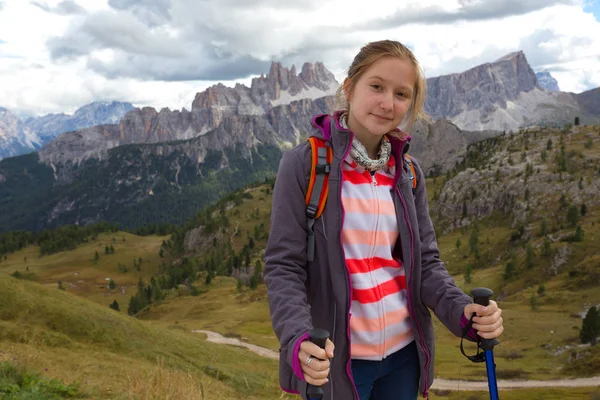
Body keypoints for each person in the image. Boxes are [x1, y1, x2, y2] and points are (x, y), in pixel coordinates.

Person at [263, 40, 504, 400]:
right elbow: (283, 266)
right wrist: (297, 337)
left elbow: (426, 262)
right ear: (349, 87)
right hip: (338, 361)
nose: (388, 103)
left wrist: (462, 312)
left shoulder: (406, 170)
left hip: (404, 357)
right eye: (376, 86)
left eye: (401, 94)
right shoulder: (306, 164)